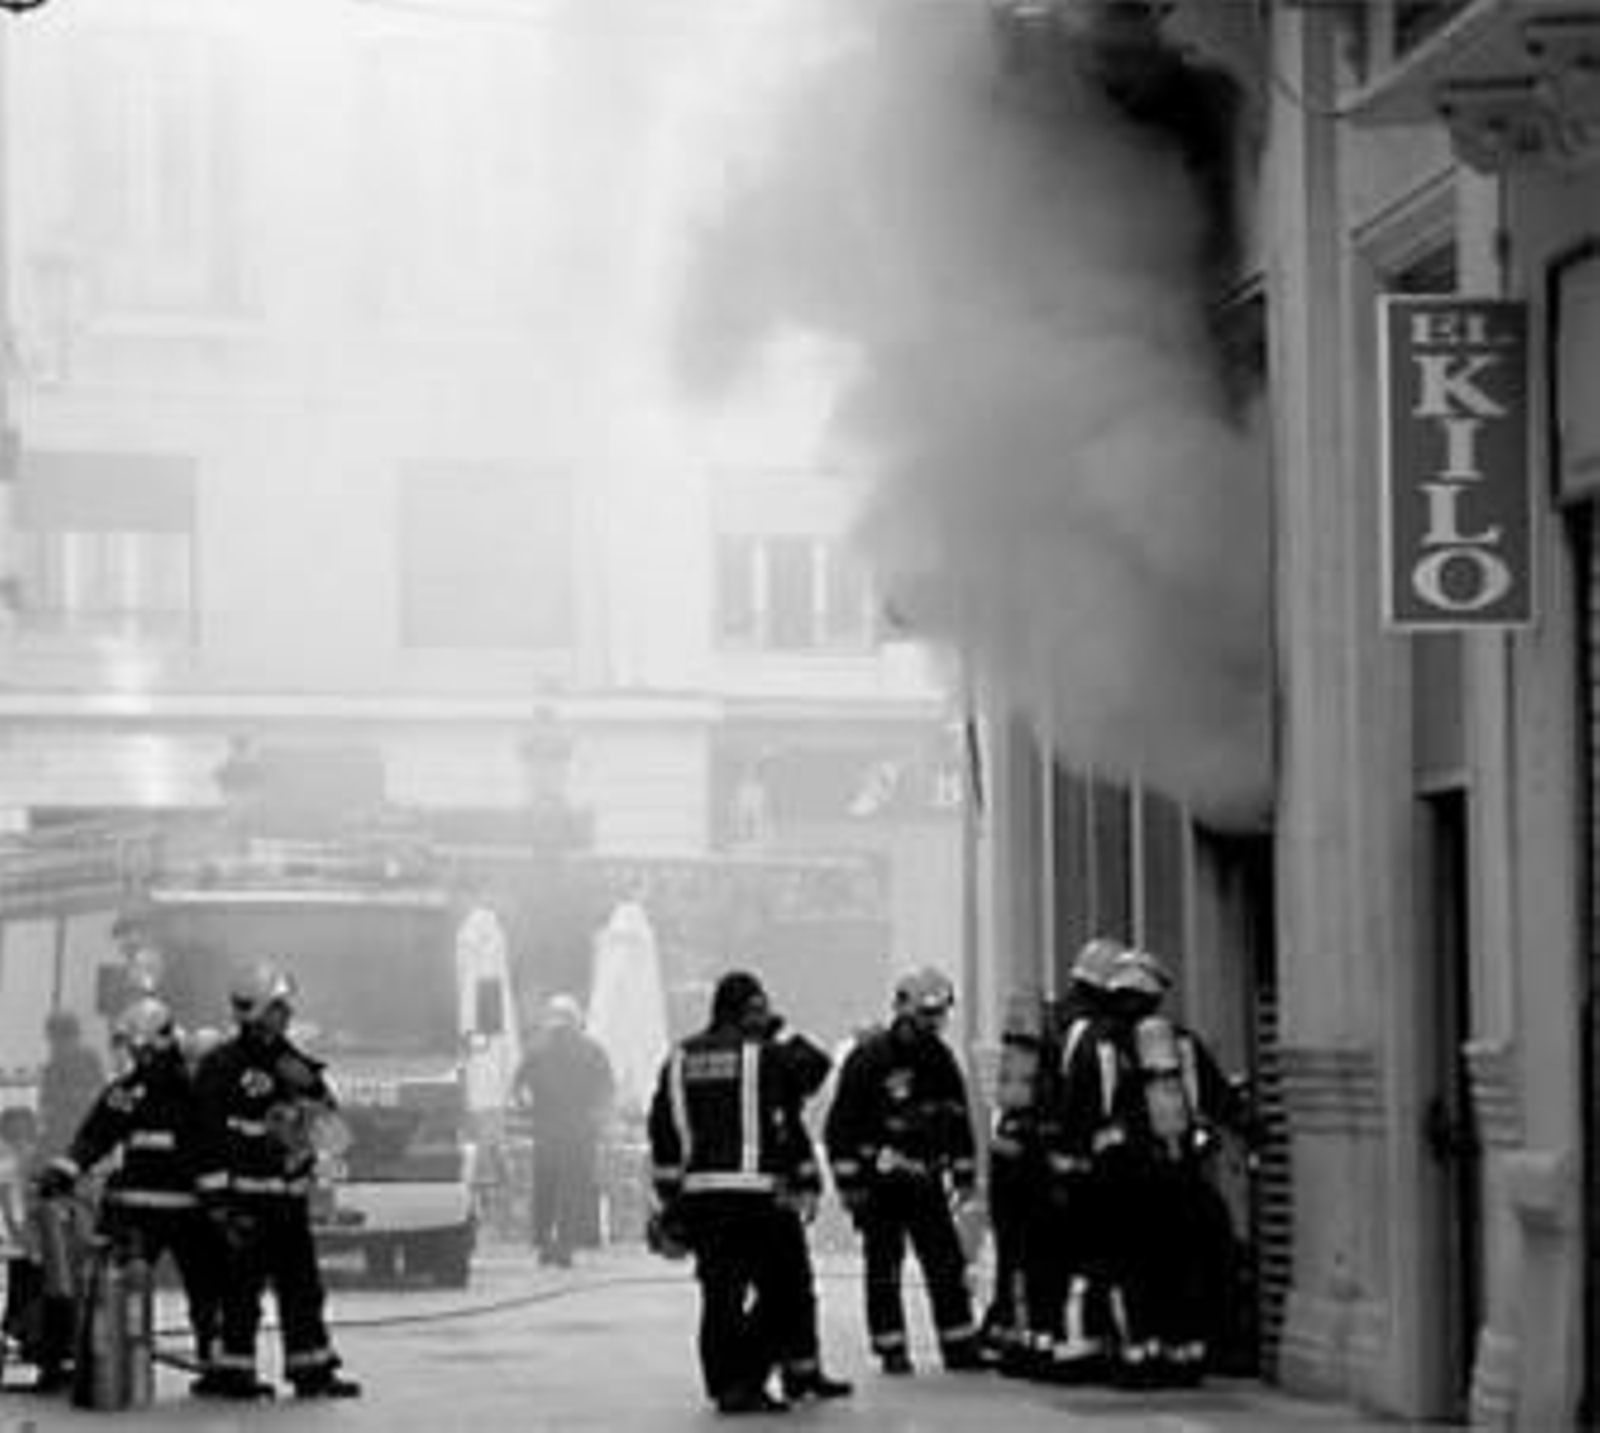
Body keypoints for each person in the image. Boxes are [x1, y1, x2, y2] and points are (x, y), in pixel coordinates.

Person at [648, 971, 820, 1416]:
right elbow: (815, 1070)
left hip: (701, 1197)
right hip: (757, 1196)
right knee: (784, 1292)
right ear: (753, 1010)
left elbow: (663, 1131)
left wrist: (670, 1200)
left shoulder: (679, 1058)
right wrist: (782, 1029)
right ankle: (748, 1376)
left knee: (720, 1294)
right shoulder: (764, 1055)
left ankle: (726, 1385)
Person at [192, 961, 360, 1401]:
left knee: (303, 1290)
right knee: (239, 1295)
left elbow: (335, 1132)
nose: (286, 1014)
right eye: (279, 1006)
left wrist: (317, 1111)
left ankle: (313, 1372)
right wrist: (218, 1205)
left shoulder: (291, 1063)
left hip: (288, 1203)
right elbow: (204, 1138)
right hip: (244, 1204)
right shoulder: (220, 1066)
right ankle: (234, 1374)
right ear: (260, 1010)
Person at [36, 996, 222, 1390]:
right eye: (132, 1048)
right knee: (110, 1291)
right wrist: (64, 1170)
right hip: (140, 1211)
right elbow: (95, 1136)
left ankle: (219, 1365)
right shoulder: (128, 1091)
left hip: (189, 1211)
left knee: (208, 1293)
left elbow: (217, 1149)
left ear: (162, 1042)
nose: (136, 1056)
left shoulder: (197, 1088)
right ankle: (103, 1363)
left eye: (140, 1048)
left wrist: (226, 1204)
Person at [824, 965, 986, 1375]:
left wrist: (964, 1176)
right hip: (880, 1184)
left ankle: (959, 1344)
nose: (937, 1023)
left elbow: (956, 1119)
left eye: (940, 1015)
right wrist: (850, 1183)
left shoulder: (940, 1058)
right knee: (884, 1266)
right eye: (928, 1015)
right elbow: (840, 1128)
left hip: (925, 1181)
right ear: (906, 1011)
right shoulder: (869, 1058)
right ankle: (891, 1347)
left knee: (945, 1263)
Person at [1104, 946, 1241, 1388]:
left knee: (1135, 1271)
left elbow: (1089, 1115)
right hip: (1182, 1177)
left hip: (1128, 1184)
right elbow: (1222, 1100)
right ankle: (1186, 1355)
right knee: (1185, 1267)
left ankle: (1140, 1355)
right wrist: (1251, 1128)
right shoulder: (1182, 1044)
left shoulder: (1104, 1045)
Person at [1041, 935, 1135, 1382]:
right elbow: (1094, 1101)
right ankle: (1081, 1348)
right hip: (1087, 1168)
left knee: (1070, 1259)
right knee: (1091, 1261)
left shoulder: (1058, 1022)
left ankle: (1074, 1344)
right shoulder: (1093, 1034)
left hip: (1055, 1164)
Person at [765, 1022, 852, 1404]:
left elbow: (797, 1139)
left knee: (798, 1289)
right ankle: (769, 1373)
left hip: (779, 1197)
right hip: (765, 1201)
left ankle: (802, 1372)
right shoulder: (768, 1085)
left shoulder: (780, 1086)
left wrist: (811, 1184)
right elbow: (788, 1144)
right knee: (784, 1290)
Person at [513, 994, 614, 1267]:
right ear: (576, 1019)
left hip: (547, 1131)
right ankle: (565, 1246)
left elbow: (518, 1088)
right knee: (572, 1189)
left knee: (546, 1187)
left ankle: (545, 1244)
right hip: (579, 1132)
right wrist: (599, 1116)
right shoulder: (592, 1049)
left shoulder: (536, 1049)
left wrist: (527, 1110)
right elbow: (607, 1089)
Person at [37, 1010, 105, 1164]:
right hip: (67, 1130)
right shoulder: (56, 1061)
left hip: (71, 1130)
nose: (50, 1042)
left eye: (52, 1036)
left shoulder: (84, 1058)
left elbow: (96, 1091)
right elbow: (46, 1100)